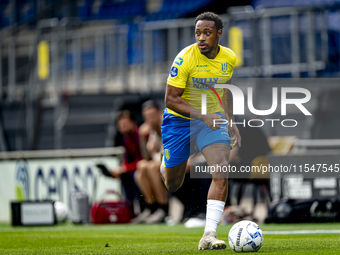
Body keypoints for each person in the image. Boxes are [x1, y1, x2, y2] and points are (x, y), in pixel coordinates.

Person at [160, 12, 241, 250]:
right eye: (197, 33)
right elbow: (170, 100)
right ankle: (165, 165)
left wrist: (231, 120)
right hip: (180, 121)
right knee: (173, 183)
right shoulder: (185, 58)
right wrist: (201, 115)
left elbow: (225, 90)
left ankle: (209, 234)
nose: (201, 38)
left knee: (221, 170)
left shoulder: (230, 57)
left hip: (212, 121)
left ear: (219, 33)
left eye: (207, 32)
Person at [96, 110, 143, 213]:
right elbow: (127, 160)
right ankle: (130, 210)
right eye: (121, 125)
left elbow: (142, 160)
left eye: (126, 124)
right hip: (136, 168)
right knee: (125, 176)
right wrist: (120, 170)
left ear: (133, 123)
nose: (123, 127)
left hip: (143, 168)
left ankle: (143, 208)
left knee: (132, 175)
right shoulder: (126, 139)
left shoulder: (140, 135)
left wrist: (124, 168)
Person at [133, 100, 169, 223]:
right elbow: (146, 157)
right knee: (141, 166)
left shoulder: (167, 125)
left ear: (160, 113)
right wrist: (142, 138)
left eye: (153, 115)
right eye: (147, 117)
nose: (150, 119)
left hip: (176, 162)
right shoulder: (151, 131)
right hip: (160, 163)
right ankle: (151, 207)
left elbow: (168, 154)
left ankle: (163, 208)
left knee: (152, 167)